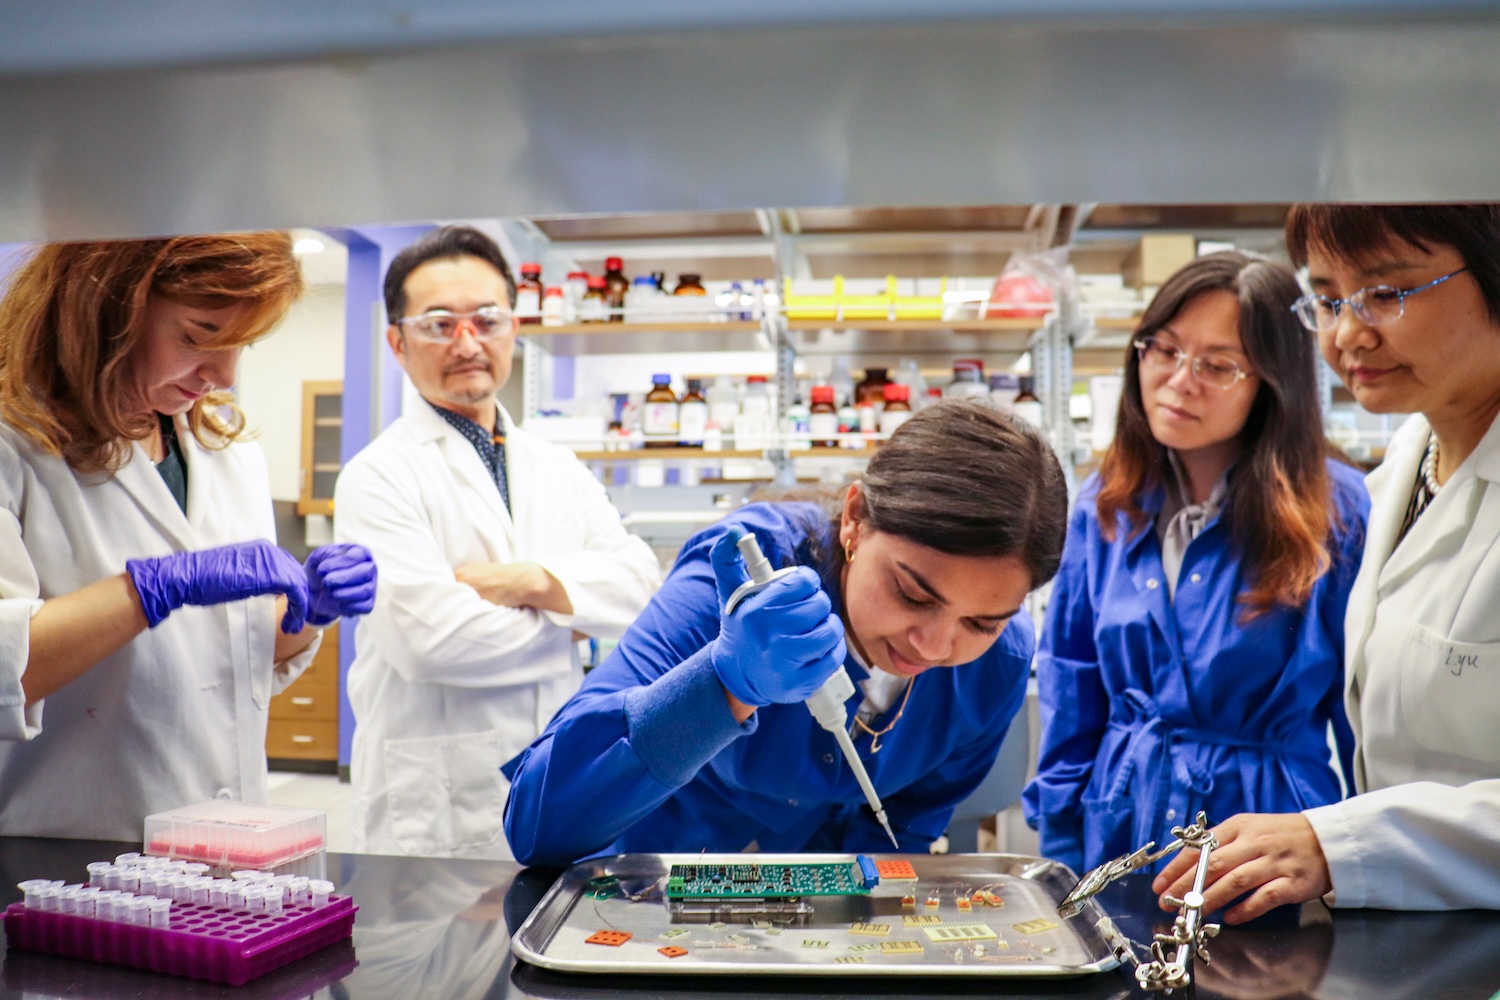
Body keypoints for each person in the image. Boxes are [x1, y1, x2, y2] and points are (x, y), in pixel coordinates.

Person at [502, 399, 1068, 865]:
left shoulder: (998, 663)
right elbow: (537, 823)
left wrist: (855, 935)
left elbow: (904, 828)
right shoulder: (742, 579)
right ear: (855, 520)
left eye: (981, 622)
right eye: (912, 594)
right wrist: (723, 686)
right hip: (651, 888)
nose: (935, 646)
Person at [1154, 205, 1500, 921]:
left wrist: (1341, 842)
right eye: (1330, 298)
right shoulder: (1397, 477)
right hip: (1422, 945)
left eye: (1386, 293)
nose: (1347, 333)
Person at [0, 233, 377, 840]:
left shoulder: (226, 452)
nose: (225, 373)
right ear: (109, 306)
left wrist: (307, 611)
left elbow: (235, 664)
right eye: (199, 335)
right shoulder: (13, 442)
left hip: (231, 849)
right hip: (74, 855)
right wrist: (151, 589)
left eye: (242, 344)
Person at [1022, 252, 1369, 879]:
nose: (1181, 380)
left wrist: (1366, 863)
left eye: (1217, 365)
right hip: (1122, 826)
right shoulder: (1107, 503)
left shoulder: (1335, 510)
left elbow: (1364, 712)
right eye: (1165, 349)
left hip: (1265, 842)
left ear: (1272, 382)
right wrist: (1064, 849)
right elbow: (1071, 686)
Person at [333, 225, 661, 860]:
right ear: (397, 342)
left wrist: (530, 583)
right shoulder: (377, 477)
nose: (467, 341)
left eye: (487, 319)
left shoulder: (556, 465)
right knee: (440, 956)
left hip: (559, 781)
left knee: (553, 950)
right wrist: (573, 620)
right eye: (438, 324)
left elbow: (641, 585)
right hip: (434, 804)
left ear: (513, 327)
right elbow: (430, 644)